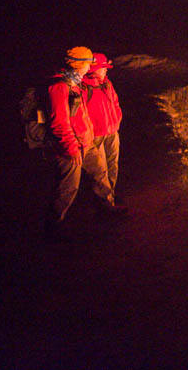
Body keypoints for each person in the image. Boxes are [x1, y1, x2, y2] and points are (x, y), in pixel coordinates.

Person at [44, 47, 125, 242]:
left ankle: (106, 209)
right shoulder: (60, 86)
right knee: (68, 187)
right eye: (88, 62)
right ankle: (54, 227)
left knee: (100, 173)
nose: (90, 66)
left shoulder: (74, 83)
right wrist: (72, 148)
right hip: (70, 147)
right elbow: (59, 123)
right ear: (80, 64)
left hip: (85, 143)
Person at [82, 53, 123, 202]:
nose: (106, 70)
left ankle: (110, 196)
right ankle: (105, 203)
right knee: (101, 171)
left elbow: (116, 103)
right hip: (96, 136)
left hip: (112, 132)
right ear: (94, 69)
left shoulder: (106, 84)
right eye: (103, 68)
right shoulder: (84, 87)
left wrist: (116, 121)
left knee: (113, 166)